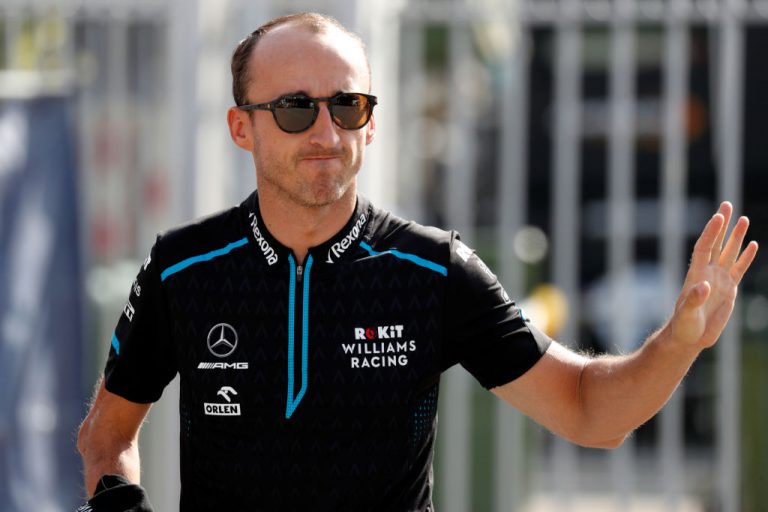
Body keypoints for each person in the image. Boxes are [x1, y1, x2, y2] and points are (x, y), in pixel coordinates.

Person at [76, 11, 759, 512]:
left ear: (371, 123)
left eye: (348, 105)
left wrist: (678, 343)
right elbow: (105, 439)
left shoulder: (433, 270)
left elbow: (588, 412)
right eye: (294, 108)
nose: (325, 131)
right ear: (241, 127)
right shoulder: (183, 268)